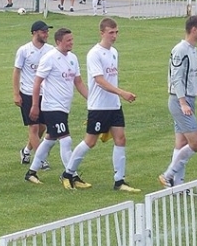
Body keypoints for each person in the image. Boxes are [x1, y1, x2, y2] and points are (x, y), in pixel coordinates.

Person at [61, 18, 140, 192]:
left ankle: (119, 181)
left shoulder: (114, 52)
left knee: (121, 139)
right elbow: (100, 81)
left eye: (116, 32)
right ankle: (68, 173)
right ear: (102, 33)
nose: (114, 36)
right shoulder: (94, 54)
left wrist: (118, 97)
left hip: (114, 106)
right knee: (90, 142)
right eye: (111, 32)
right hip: (98, 107)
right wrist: (122, 93)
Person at [24, 28, 89, 187]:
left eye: (72, 40)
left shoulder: (73, 58)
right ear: (58, 42)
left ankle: (31, 172)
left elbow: (78, 82)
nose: (71, 43)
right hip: (52, 107)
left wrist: (92, 100)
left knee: (49, 140)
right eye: (68, 40)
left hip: (64, 107)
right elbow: (37, 82)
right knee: (66, 140)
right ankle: (70, 175)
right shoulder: (49, 58)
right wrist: (34, 105)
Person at [160, 15, 197, 189]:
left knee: (181, 144)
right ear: (194, 30)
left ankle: (178, 185)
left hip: (188, 100)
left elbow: (192, 76)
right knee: (196, 143)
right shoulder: (180, 50)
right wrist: (183, 103)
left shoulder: (193, 49)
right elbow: (176, 78)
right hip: (179, 101)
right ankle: (167, 176)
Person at [13, 20, 54, 169]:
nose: (46, 34)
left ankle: (26, 151)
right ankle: (40, 160)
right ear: (34, 33)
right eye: (43, 31)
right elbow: (16, 71)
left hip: (46, 94)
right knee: (34, 128)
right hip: (28, 93)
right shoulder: (24, 51)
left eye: (47, 31)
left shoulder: (51, 50)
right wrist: (16, 93)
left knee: (43, 127)